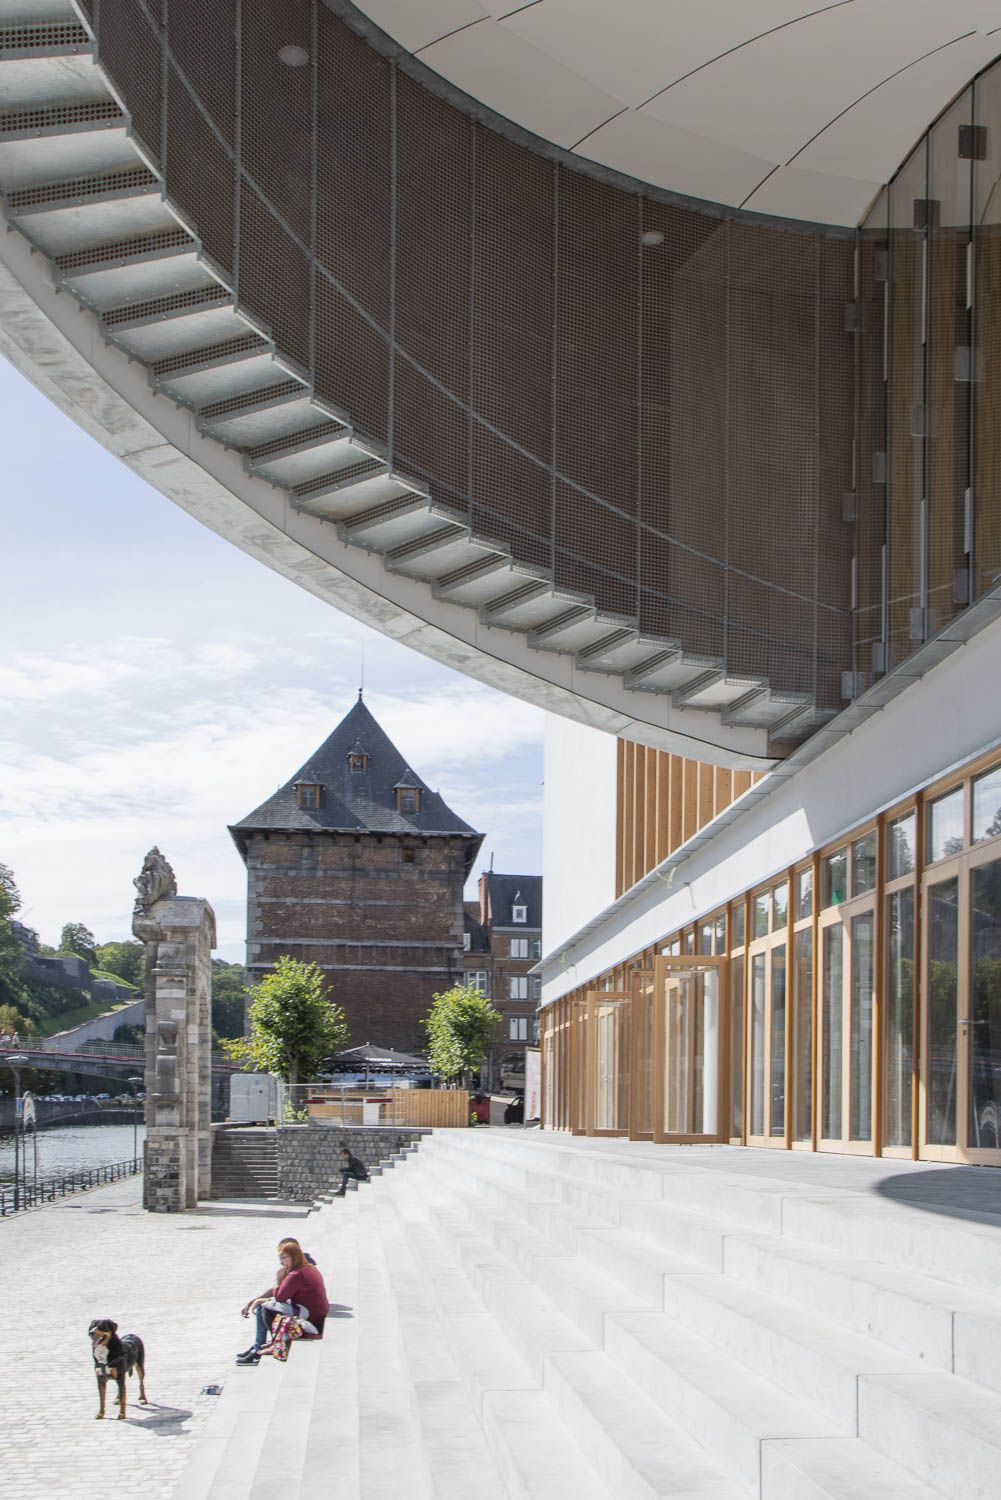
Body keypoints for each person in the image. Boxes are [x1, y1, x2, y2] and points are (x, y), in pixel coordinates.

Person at [236, 1239, 326, 1364]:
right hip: (312, 1313)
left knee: (265, 1308)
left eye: (284, 1258)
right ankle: (261, 1346)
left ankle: (269, 1345)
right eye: (280, 1258)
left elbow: (280, 1297)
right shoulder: (307, 1268)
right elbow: (280, 1293)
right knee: (264, 1305)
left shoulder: (296, 1274)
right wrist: (255, 1300)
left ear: (294, 1256)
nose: (281, 1262)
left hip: (311, 1317)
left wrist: (280, 1279)